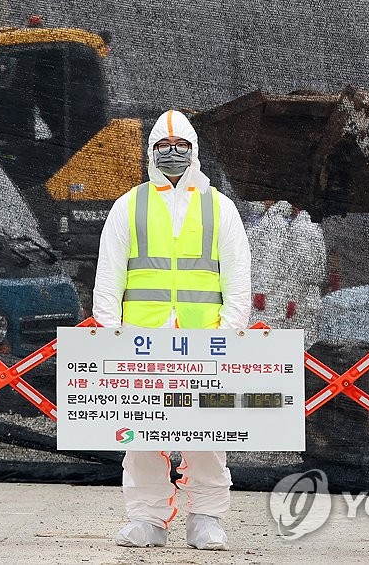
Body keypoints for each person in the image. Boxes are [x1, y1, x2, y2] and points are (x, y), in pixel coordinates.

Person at [93, 109, 252, 550]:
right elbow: (108, 277)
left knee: (207, 435)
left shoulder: (220, 207)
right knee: (142, 436)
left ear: (194, 152)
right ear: (151, 153)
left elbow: (238, 278)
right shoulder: (130, 205)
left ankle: (207, 518)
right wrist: (111, 334)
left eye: (180, 148)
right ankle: (147, 519)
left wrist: (231, 332)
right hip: (143, 342)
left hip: (206, 341)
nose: (172, 154)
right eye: (164, 148)